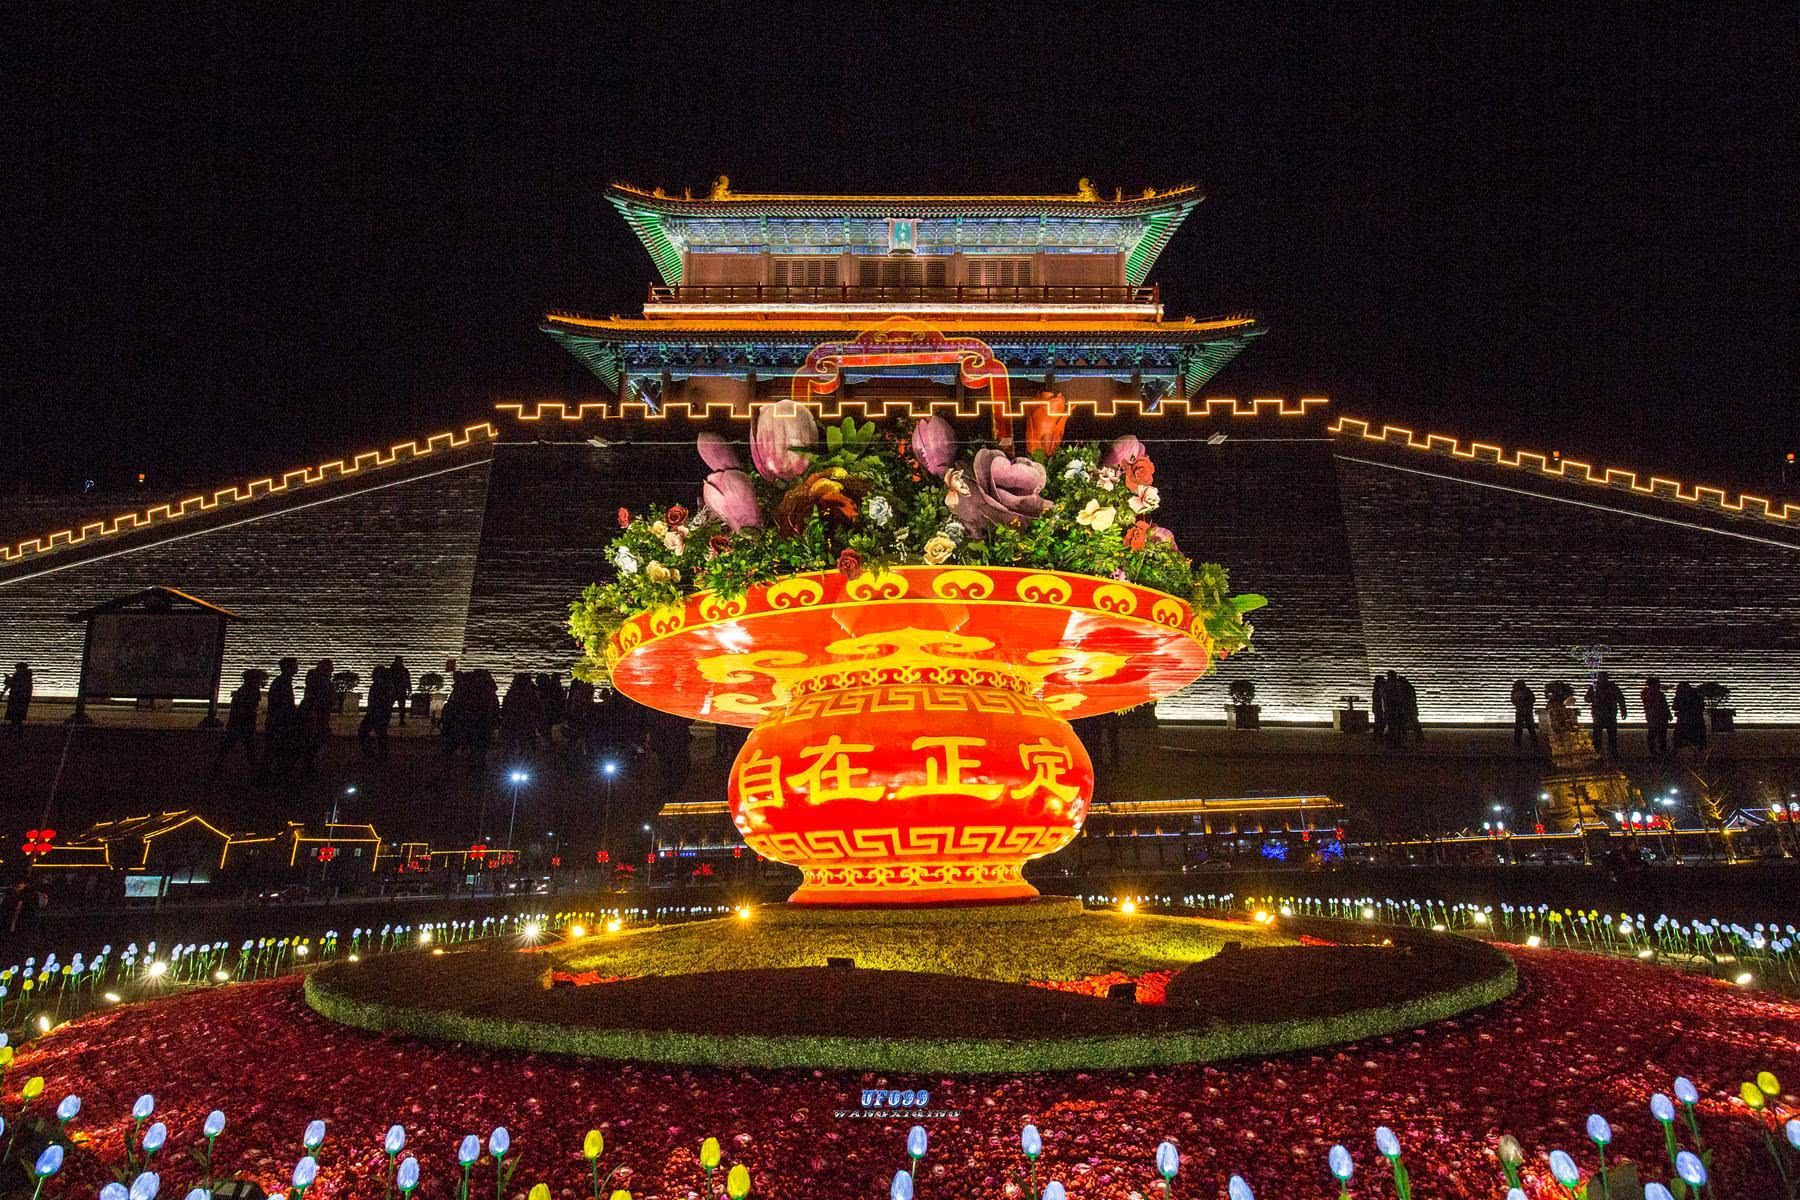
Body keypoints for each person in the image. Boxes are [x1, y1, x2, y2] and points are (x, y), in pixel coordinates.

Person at [212, 668, 266, 774]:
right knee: (249, 747)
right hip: (243, 724)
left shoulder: (242, 690)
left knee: (230, 745)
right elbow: (248, 709)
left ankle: (218, 765)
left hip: (237, 723)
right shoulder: (252, 691)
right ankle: (255, 769)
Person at [262, 657, 303, 779]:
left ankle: (272, 772)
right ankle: (271, 774)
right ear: (289, 668)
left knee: (276, 749)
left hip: (279, 721)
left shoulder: (283, 681)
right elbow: (283, 704)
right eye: (295, 665)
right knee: (277, 748)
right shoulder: (282, 682)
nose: (297, 668)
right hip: (280, 722)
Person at [298, 658, 335, 774]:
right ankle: (308, 763)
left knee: (316, 738)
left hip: (319, 713)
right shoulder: (321, 681)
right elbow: (319, 698)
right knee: (317, 738)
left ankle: (308, 763)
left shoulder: (318, 680)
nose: (332, 670)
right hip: (317, 714)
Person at [1585, 671, 1627, 759]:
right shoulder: (1596, 687)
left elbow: (1620, 698)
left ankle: (1611, 754)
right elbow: (1587, 698)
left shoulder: (1610, 687)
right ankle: (1598, 754)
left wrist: (1623, 710)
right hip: (1600, 715)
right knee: (1599, 736)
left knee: (1611, 737)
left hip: (1607, 715)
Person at [358, 663, 397, 759]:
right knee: (377, 733)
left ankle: (377, 753)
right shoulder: (379, 685)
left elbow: (389, 699)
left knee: (379, 734)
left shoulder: (385, 686)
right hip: (375, 713)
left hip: (379, 713)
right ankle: (375, 752)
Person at [1672, 681, 1707, 758]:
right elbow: (1701, 707)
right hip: (1695, 720)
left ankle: (1676, 752)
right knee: (1695, 737)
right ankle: (1696, 753)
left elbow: (1674, 707)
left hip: (1684, 720)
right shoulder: (1696, 696)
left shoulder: (1680, 696)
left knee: (1680, 736)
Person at [1641, 676, 1672, 758]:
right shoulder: (1648, 693)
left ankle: (1661, 751)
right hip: (1654, 717)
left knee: (1661, 735)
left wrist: (1668, 714)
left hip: (1659, 717)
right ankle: (1655, 752)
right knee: (1654, 734)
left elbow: (1665, 705)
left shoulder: (1658, 694)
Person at [3, 662, 33, 732]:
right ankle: (17, 727)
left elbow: (15, 684)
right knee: (19, 713)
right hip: (22, 697)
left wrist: (8, 680)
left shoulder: (21, 676)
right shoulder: (26, 676)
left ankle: (15, 727)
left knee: (15, 712)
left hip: (17, 697)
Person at [1510, 679, 1537, 748]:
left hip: (1523, 711)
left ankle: (1518, 743)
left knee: (1522, 728)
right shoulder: (1526, 691)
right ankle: (1532, 742)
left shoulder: (1517, 692)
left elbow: (1513, 701)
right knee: (1527, 728)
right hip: (1524, 711)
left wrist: (1521, 703)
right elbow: (1533, 700)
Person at [389, 656, 412, 726]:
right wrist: (409, 688)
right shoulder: (402, 670)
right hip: (397, 690)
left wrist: (409, 688)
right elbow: (407, 680)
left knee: (396, 706)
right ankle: (401, 720)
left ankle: (401, 720)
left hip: (396, 690)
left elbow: (407, 680)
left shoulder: (392, 670)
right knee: (398, 706)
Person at [1371, 673, 1389, 744]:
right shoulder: (1378, 689)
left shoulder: (1377, 688)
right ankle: (1379, 737)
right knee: (1380, 723)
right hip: (1380, 709)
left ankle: (1378, 737)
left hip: (1380, 709)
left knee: (1379, 723)